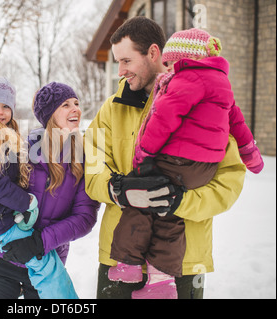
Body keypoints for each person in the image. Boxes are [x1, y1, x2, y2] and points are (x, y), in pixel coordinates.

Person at [84, 16, 247, 299]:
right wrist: (118, 190)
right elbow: (91, 169)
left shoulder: (209, 106)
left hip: (183, 260)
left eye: (126, 61)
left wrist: (181, 201)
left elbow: (230, 180)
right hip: (121, 258)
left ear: (153, 53)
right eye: (118, 62)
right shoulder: (111, 110)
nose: (120, 71)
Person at [0, 80, 99, 299]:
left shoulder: (84, 158)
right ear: (49, 116)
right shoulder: (25, 147)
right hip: (1, 258)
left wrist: (39, 242)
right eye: (66, 105)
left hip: (44, 263)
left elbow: (85, 218)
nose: (76, 108)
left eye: (76, 103)